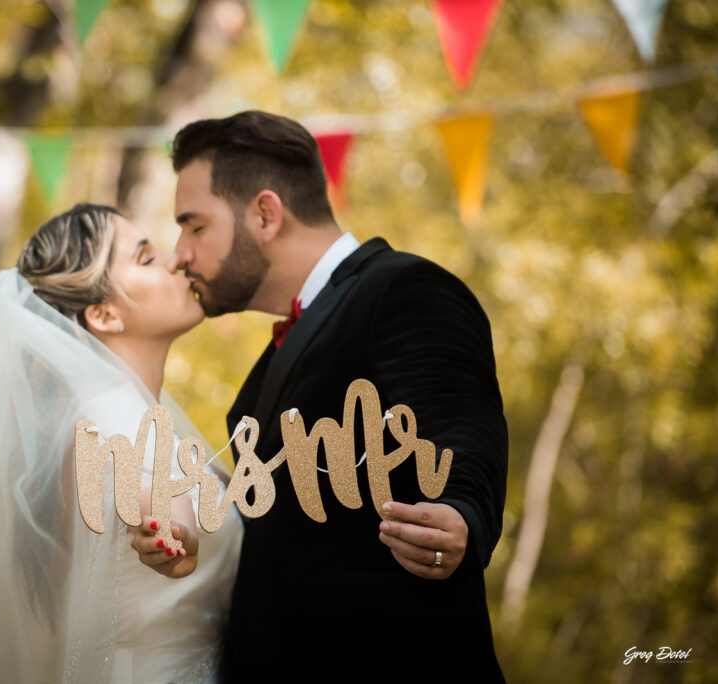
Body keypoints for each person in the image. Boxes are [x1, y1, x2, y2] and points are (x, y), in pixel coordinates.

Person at [162, 110, 509, 681]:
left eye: (194, 226)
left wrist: (462, 513)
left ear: (266, 214)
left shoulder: (401, 289)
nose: (180, 253)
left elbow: (461, 429)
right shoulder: (277, 351)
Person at [0, 204, 243, 683]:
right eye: (147, 258)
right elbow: (154, 501)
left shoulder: (132, 414)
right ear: (105, 314)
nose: (176, 259)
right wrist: (171, 532)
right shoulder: (110, 423)